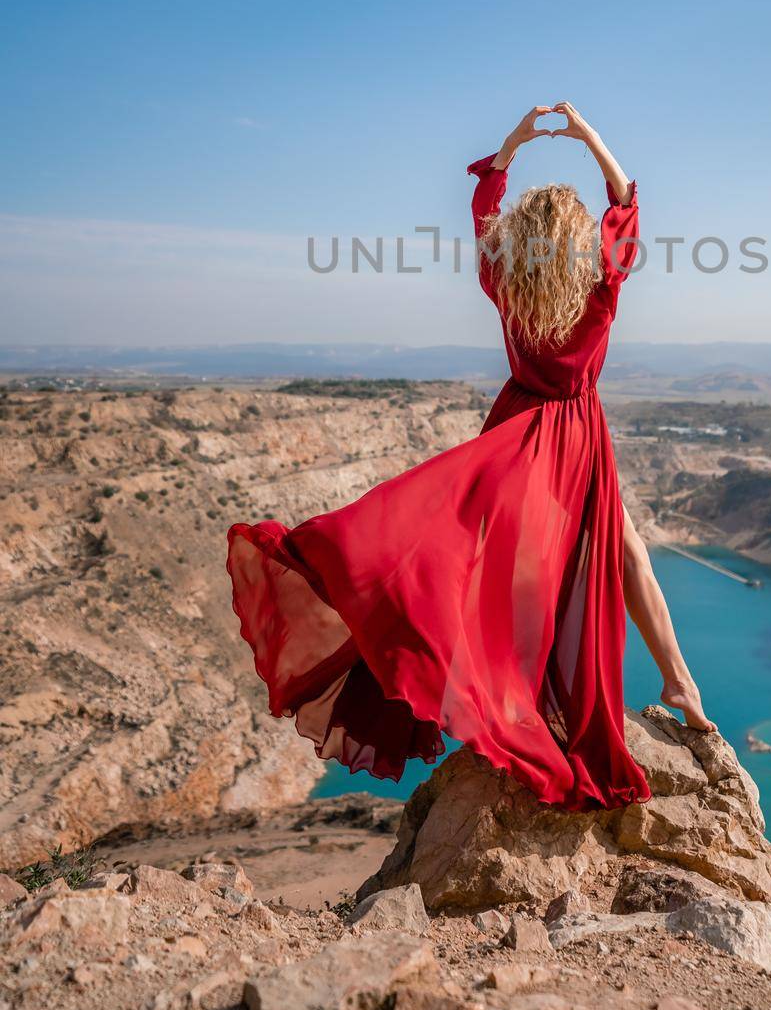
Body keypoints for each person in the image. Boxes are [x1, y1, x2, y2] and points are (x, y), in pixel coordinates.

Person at [227, 102, 711, 814]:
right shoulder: (600, 290)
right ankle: (675, 684)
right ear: (576, 241)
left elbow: (485, 207)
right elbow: (626, 205)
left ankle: (537, 695)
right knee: (622, 555)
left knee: (504, 569)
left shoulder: (505, 284)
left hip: (512, 435)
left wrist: (511, 146)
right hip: (573, 437)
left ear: (524, 240)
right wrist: (590, 138)